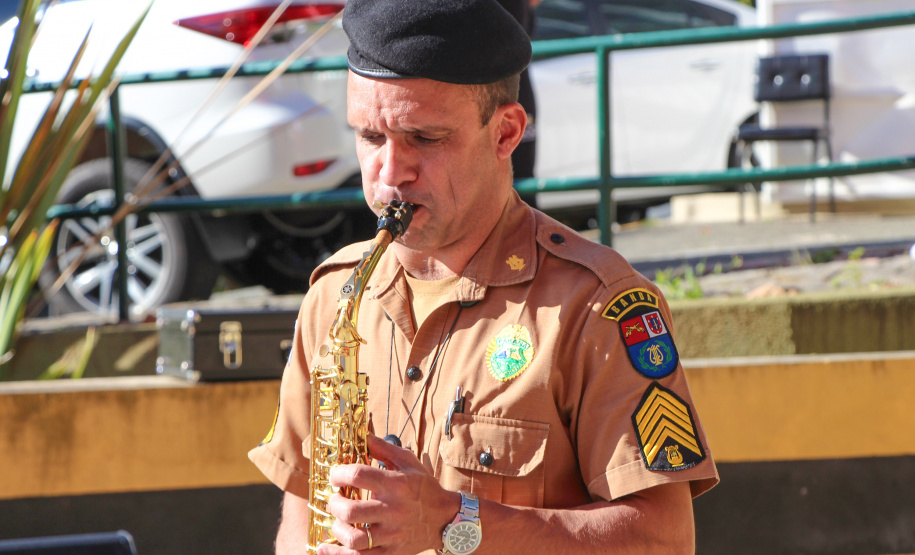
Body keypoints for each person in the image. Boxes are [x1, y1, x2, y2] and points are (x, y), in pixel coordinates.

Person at [248, 0, 719, 553]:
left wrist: (455, 521)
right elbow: (301, 516)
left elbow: (664, 541)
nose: (390, 173)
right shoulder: (333, 295)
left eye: (424, 138)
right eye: (371, 137)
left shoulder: (599, 304)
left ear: (506, 133)